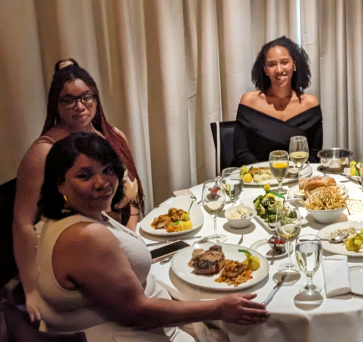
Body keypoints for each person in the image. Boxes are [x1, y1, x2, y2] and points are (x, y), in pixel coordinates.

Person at [36, 132, 269, 341]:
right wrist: (218, 308)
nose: (102, 183)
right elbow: (135, 312)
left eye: (107, 170)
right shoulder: (86, 238)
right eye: (85, 175)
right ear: (59, 183)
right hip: (129, 334)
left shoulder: (62, 218)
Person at [13, 59, 145, 321]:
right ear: (56, 105)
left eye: (86, 97)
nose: (80, 106)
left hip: (121, 244)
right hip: (77, 261)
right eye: (69, 100)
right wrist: (29, 290)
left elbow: (131, 200)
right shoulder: (44, 152)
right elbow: (22, 222)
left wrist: (131, 239)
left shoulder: (113, 137)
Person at [234, 36, 323, 166]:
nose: (279, 70)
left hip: (297, 178)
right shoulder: (249, 101)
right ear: (265, 69)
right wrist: (267, 176)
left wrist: (291, 176)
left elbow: (314, 155)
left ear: (294, 65)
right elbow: (241, 153)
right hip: (256, 180)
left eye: (284, 62)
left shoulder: (310, 103)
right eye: (272, 64)